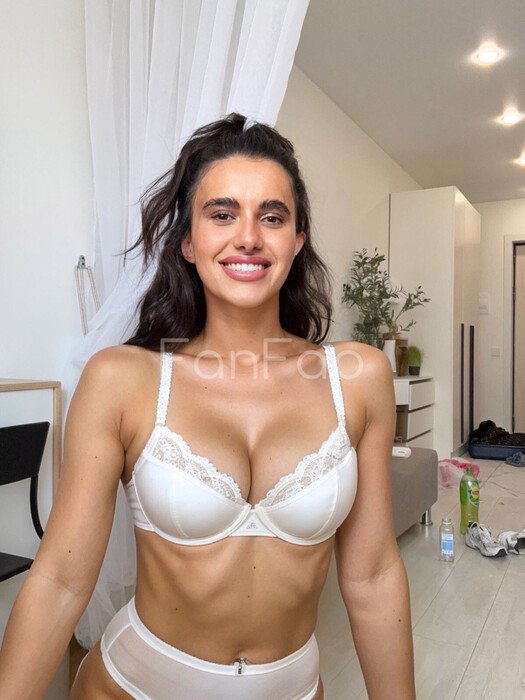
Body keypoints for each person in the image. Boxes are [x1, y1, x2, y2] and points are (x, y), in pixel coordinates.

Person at [0, 113, 415, 699]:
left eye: (272, 217)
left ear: (297, 241)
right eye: (222, 214)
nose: (248, 237)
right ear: (188, 242)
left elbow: (372, 575)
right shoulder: (123, 380)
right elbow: (62, 581)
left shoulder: (358, 378)